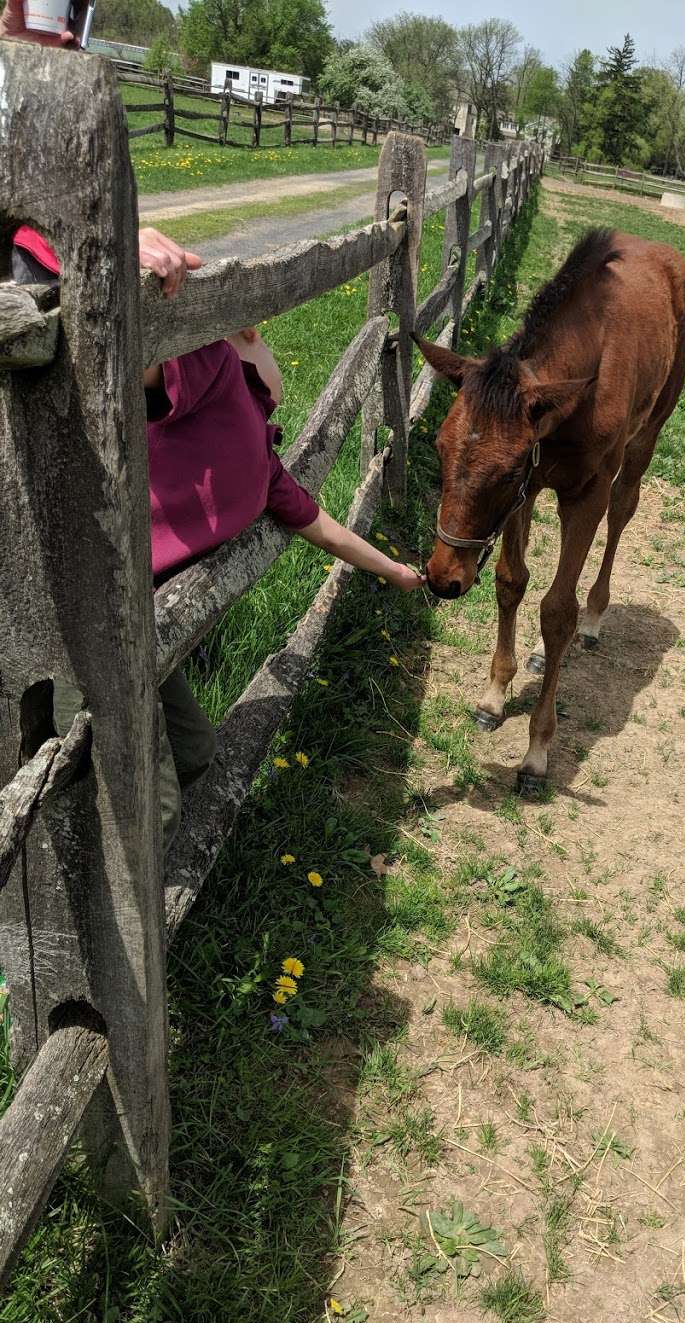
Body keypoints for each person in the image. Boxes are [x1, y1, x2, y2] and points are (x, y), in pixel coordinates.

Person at [3, 6, 425, 849]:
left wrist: (399, 574)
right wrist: (126, 265)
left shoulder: (259, 459)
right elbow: (136, 359)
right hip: (87, 587)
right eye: (265, 360)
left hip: (124, 602)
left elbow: (325, 527)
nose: (277, 378)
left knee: (182, 754)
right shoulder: (203, 376)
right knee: (137, 790)